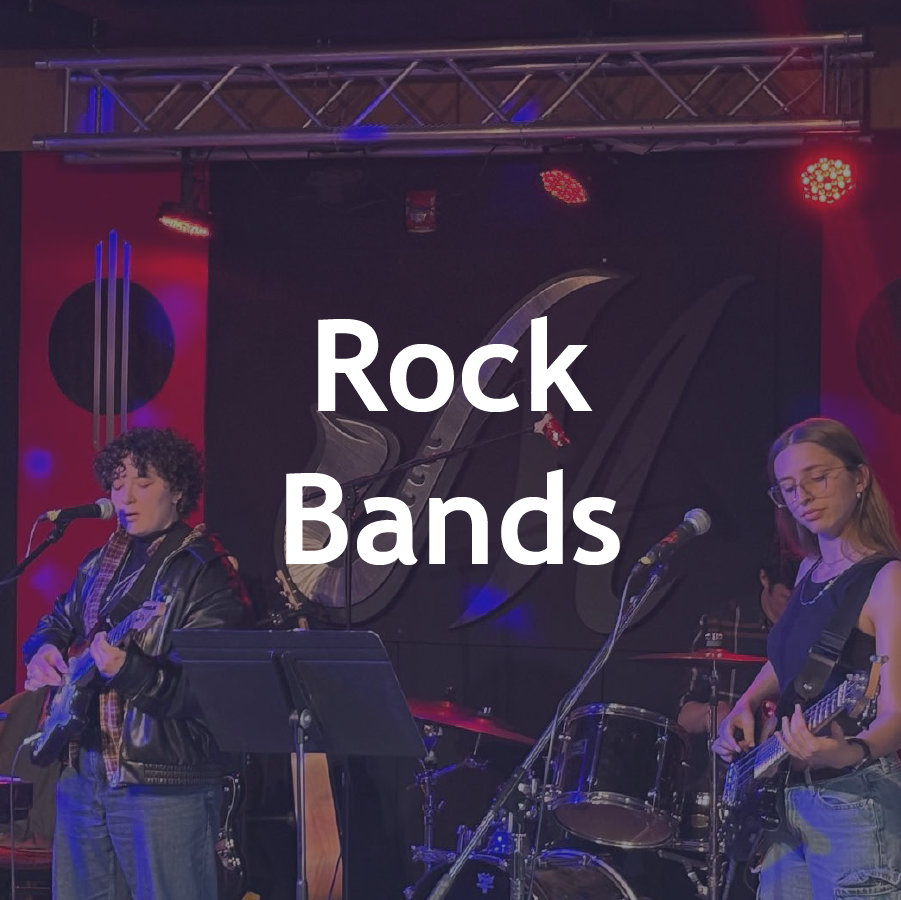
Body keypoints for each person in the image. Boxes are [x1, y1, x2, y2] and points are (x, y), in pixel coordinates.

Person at [21, 426, 251, 900]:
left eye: (143, 483)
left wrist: (128, 671)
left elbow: (213, 693)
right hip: (82, 771)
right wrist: (42, 649)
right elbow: (56, 620)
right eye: (117, 482)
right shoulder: (102, 560)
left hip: (162, 780)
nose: (125, 497)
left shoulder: (207, 572)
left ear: (179, 491)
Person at [713, 417, 901, 900]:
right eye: (789, 488)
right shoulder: (809, 569)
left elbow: (896, 712)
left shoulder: (887, 580)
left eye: (818, 478)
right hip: (786, 797)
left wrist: (844, 751)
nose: (803, 497)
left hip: (853, 802)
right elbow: (788, 661)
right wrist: (746, 704)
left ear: (859, 478)